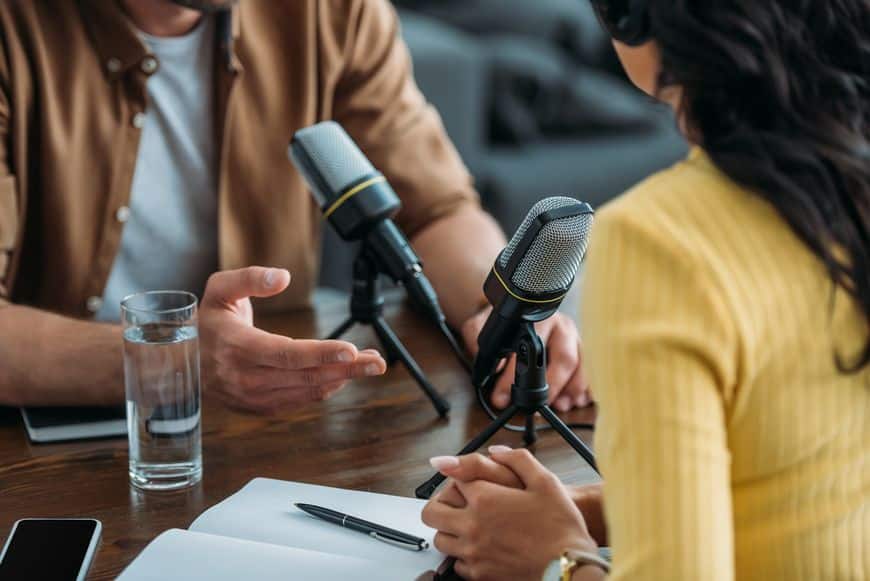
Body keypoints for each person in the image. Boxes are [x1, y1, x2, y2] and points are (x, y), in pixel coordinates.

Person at [422, 1, 869, 579]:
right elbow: (808, 479)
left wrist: (555, 559)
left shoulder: (661, 242)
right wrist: (602, 510)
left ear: (632, 17)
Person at [0, 0, 590, 413]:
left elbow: (436, 207)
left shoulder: (332, 11)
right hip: (45, 436)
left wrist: (499, 316)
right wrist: (174, 361)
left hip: (267, 425)